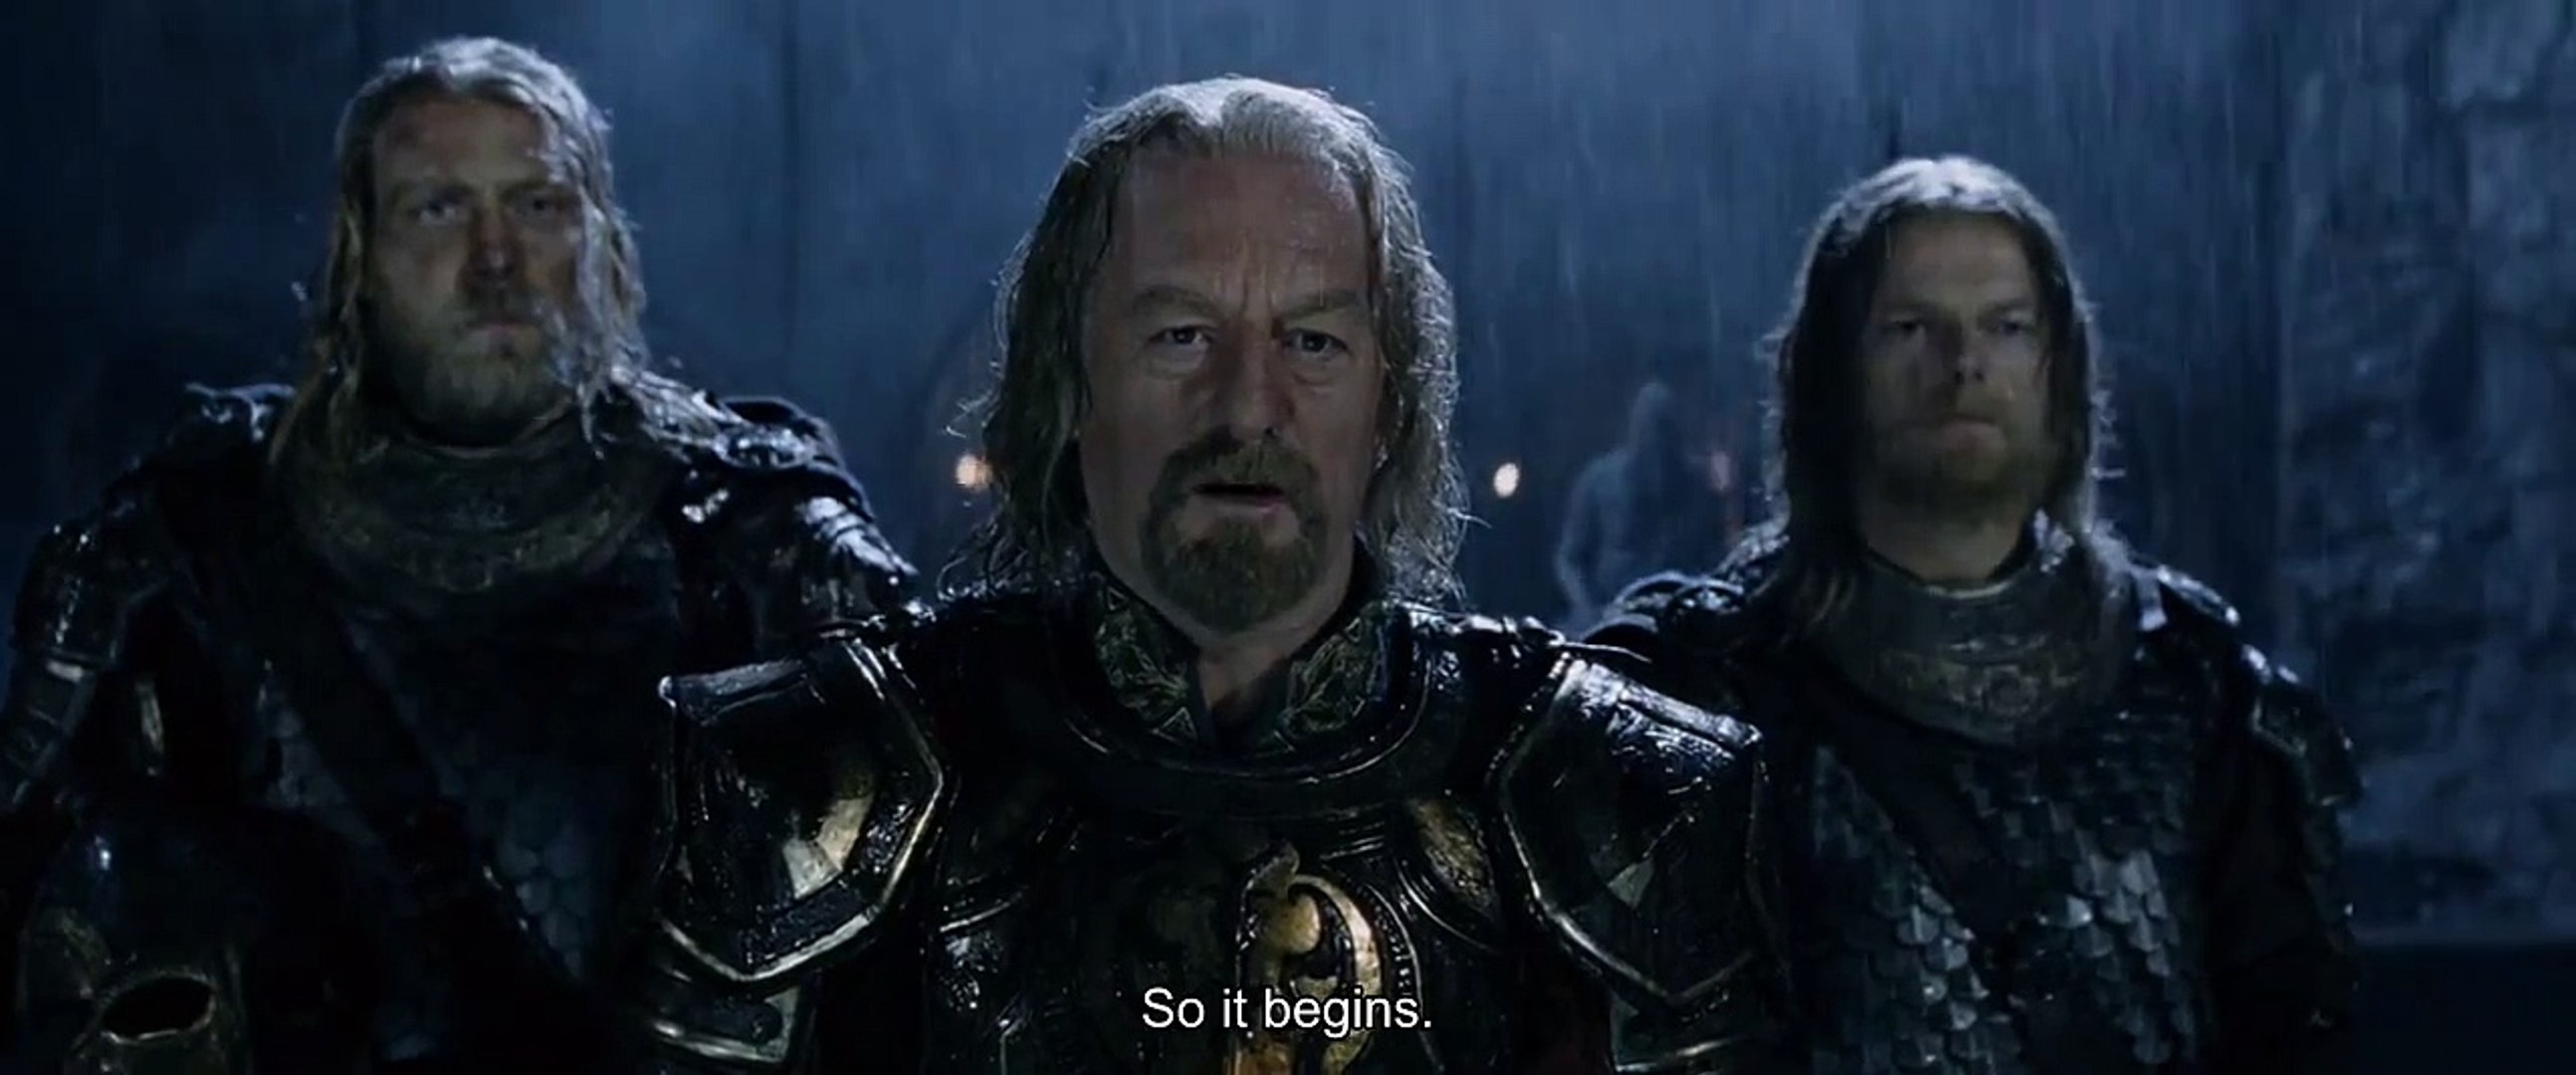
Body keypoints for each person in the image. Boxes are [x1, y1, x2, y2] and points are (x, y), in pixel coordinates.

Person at [631, 78, 1791, 1073]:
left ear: (1387, 403)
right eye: (1180, 336)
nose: (1247, 408)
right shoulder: (801, 779)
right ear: (1066, 384)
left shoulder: (1612, 794)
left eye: (1312, 342)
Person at [0, 37, 915, 1070]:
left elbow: (926, 925)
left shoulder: (753, 533)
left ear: (600, 239)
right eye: (438, 208)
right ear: (360, 253)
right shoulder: (195, 543)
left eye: (537, 204)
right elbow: (55, 916)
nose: (495, 261)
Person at [1589, 156, 2361, 1074]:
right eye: (1911, 328)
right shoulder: (1707, 688)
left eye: (2006, 326)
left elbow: (2291, 1031)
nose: (1963, 365)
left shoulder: (2196, 684)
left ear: (2057, 370)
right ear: (1832, 373)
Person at [1554, 378, 1736, 629]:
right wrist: (1587, 609)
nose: (1655, 439)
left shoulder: (1698, 486)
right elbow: (1569, 559)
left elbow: (1716, 558)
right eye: (1648, 427)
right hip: (1608, 619)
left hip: (1681, 621)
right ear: (1633, 428)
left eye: (1663, 428)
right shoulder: (1599, 480)